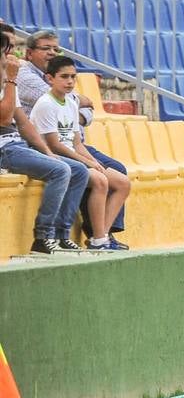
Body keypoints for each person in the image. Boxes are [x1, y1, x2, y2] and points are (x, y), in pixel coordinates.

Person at [0, 25, 89, 254]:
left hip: (17, 143)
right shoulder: (9, 82)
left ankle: (61, 235)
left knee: (78, 170)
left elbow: (23, 123)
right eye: (5, 52)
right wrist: (10, 80)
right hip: (4, 148)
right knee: (60, 171)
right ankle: (42, 237)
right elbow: (4, 117)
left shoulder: (7, 83)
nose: (10, 58)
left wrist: (47, 153)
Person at [30, 55, 131, 251]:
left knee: (122, 183)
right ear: (50, 79)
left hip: (72, 154)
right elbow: (55, 145)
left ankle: (99, 236)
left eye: (73, 77)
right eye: (64, 77)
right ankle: (99, 240)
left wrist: (93, 160)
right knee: (100, 181)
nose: (69, 81)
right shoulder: (45, 104)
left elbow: (77, 142)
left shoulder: (70, 102)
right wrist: (88, 164)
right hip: (52, 155)